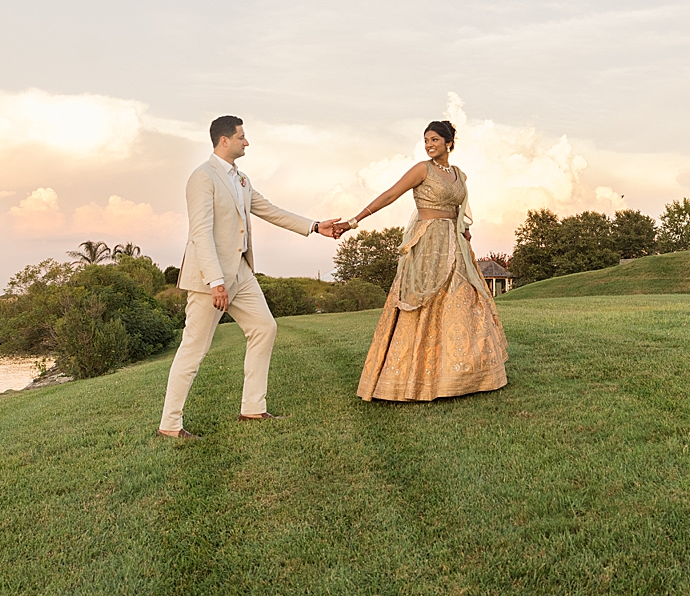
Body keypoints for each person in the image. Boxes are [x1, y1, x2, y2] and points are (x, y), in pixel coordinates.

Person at [159, 115, 348, 437]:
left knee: (264, 327)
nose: (247, 142)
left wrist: (316, 227)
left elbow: (270, 210)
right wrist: (216, 282)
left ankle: (253, 409)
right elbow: (201, 234)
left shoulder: (242, 179)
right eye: (241, 137)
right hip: (210, 277)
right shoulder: (202, 178)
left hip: (241, 272)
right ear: (224, 141)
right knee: (194, 348)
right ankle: (170, 425)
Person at [352, 120, 508, 401]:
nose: (429, 145)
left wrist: (466, 234)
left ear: (449, 142)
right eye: (426, 140)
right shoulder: (422, 170)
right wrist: (355, 220)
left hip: (456, 243)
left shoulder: (459, 174)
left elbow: (459, 208)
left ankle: (464, 375)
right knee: (424, 301)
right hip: (427, 245)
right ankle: (412, 377)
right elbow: (390, 194)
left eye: (434, 140)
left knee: (465, 300)